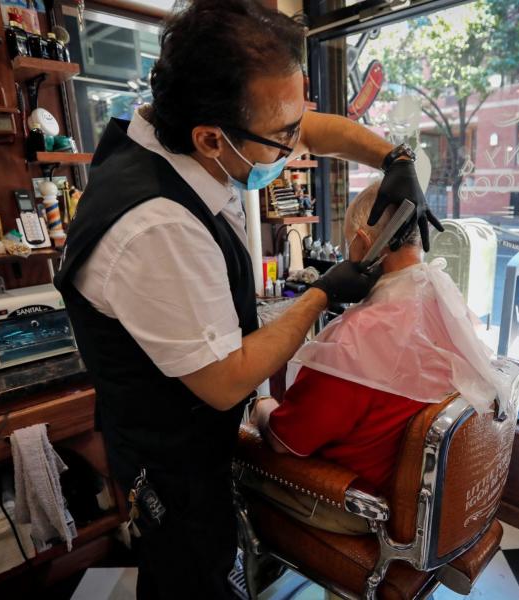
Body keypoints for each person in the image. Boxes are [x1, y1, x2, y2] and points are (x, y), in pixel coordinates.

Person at [52, 1, 442, 598]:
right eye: (284, 136)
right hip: (168, 456)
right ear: (210, 138)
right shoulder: (158, 226)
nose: (297, 143)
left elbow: (308, 127)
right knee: (189, 575)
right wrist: (321, 293)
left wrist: (394, 159)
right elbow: (226, 381)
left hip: (198, 430)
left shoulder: (182, 133)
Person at [248, 180, 510, 535]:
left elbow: (284, 441)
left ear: (362, 242)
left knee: (242, 453)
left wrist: (261, 406)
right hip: (433, 508)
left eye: (347, 244)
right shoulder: (449, 308)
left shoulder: (357, 340)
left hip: (359, 506)